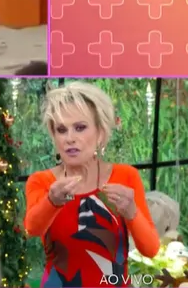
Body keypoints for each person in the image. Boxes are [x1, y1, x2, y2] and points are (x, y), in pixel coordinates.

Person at [23, 82, 160, 287]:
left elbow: (150, 249)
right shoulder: (42, 181)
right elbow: (32, 228)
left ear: (101, 133)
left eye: (80, 127)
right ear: (54, 137)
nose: (70, 138)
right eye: (61, 130)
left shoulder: (125, 176)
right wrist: (51, 201)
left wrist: (131, 211)